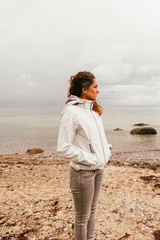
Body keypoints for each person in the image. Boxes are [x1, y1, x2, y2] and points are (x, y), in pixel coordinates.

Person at [57, 71, 111, 240]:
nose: (98, 90)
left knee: (92, 212)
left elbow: (95, 140)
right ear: (84, 89)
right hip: (83, 173)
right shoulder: (71, 112)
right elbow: (63, 148)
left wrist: (106, 151)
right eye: (95, 87)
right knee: (82, 218)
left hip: (98, 170)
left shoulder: (94, 112)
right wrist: (92, 159)